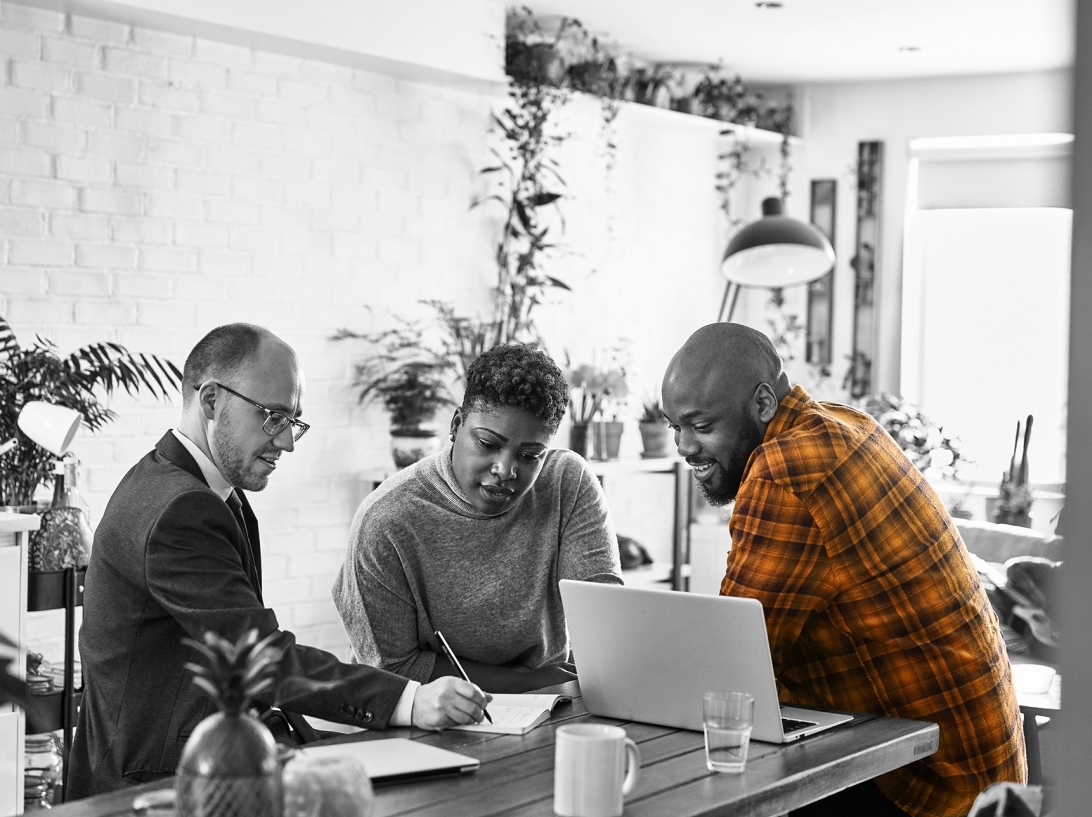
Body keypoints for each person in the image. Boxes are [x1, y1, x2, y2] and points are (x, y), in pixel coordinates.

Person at [68, 324, 488, 799]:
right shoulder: (180, 509)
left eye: (293, 421)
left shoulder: (201, 490)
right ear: (210, 402)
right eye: (272, 417)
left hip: (207, 760)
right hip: (153, 787)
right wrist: (410, 699)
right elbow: (261, 657)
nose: (287, 442)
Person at [660, 323, 1025, 817]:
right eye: (673, 426)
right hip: (986, 769)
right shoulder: (848, 422)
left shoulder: (785, 466)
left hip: (927, 784)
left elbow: (732, 666)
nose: (684, 446)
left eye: (702, 427)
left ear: (764, 404)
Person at [333, 343, 622, 693]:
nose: (505, 470)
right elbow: (392, 668)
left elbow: (603, 620)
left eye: (530, 455)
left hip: (550, 704)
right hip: (429, 716)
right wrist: (527, 683)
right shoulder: (387, 519)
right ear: (456, 425)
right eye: (487, 444)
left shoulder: (566, 483)